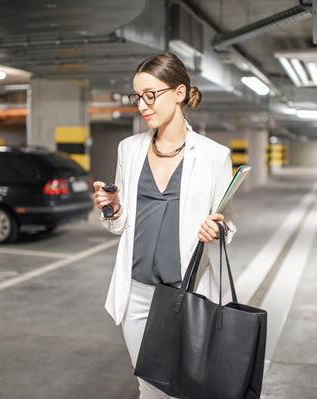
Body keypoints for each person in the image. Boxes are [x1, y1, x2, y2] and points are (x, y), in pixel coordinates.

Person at [92, 52, 236, 399]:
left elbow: (226, 226)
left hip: (185, 295)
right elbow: (122, 223)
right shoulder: (129, 149)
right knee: (148, 385)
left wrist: (217, 231)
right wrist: (112, 210)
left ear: (180, 92)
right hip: (137, 293)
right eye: (137, 96)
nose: (143, 105)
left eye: (151, 94)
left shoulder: (215, 156)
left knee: (183, 389)